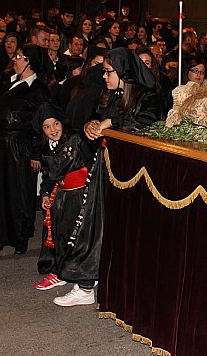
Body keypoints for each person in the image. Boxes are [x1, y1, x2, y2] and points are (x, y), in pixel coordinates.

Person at [54, 47, 158, 307]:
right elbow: (97, 121)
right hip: (106, 166)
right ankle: (87, 281)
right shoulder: (110, 95)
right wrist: (93, 124)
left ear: (123, 72)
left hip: (133, 174)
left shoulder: (148, 96)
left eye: (109, 71)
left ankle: (93, 282)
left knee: (111, 226)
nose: (103, 76)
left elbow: (146, 123)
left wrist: (109, 123)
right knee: (94, 223)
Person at [0, 44, 51, 255]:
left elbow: (44, 122)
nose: (15, 59)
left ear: (30, 61)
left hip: (19, 146)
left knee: (18, 192)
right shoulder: (7, 83)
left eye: (19, 56)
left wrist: (37, 153)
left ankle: (20, 236)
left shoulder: (38, 89)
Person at [32, 103, 94, 290]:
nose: (53, 130)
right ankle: (60, 270)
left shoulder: (74, 140)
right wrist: (44, 194)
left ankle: (80, 273)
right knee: (60, 234)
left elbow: (88, 165)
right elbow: (48, 174)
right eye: (47, 127)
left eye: (56, 124)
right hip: (61, 195)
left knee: (78, 236)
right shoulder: (46, 148)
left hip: (81, 194)